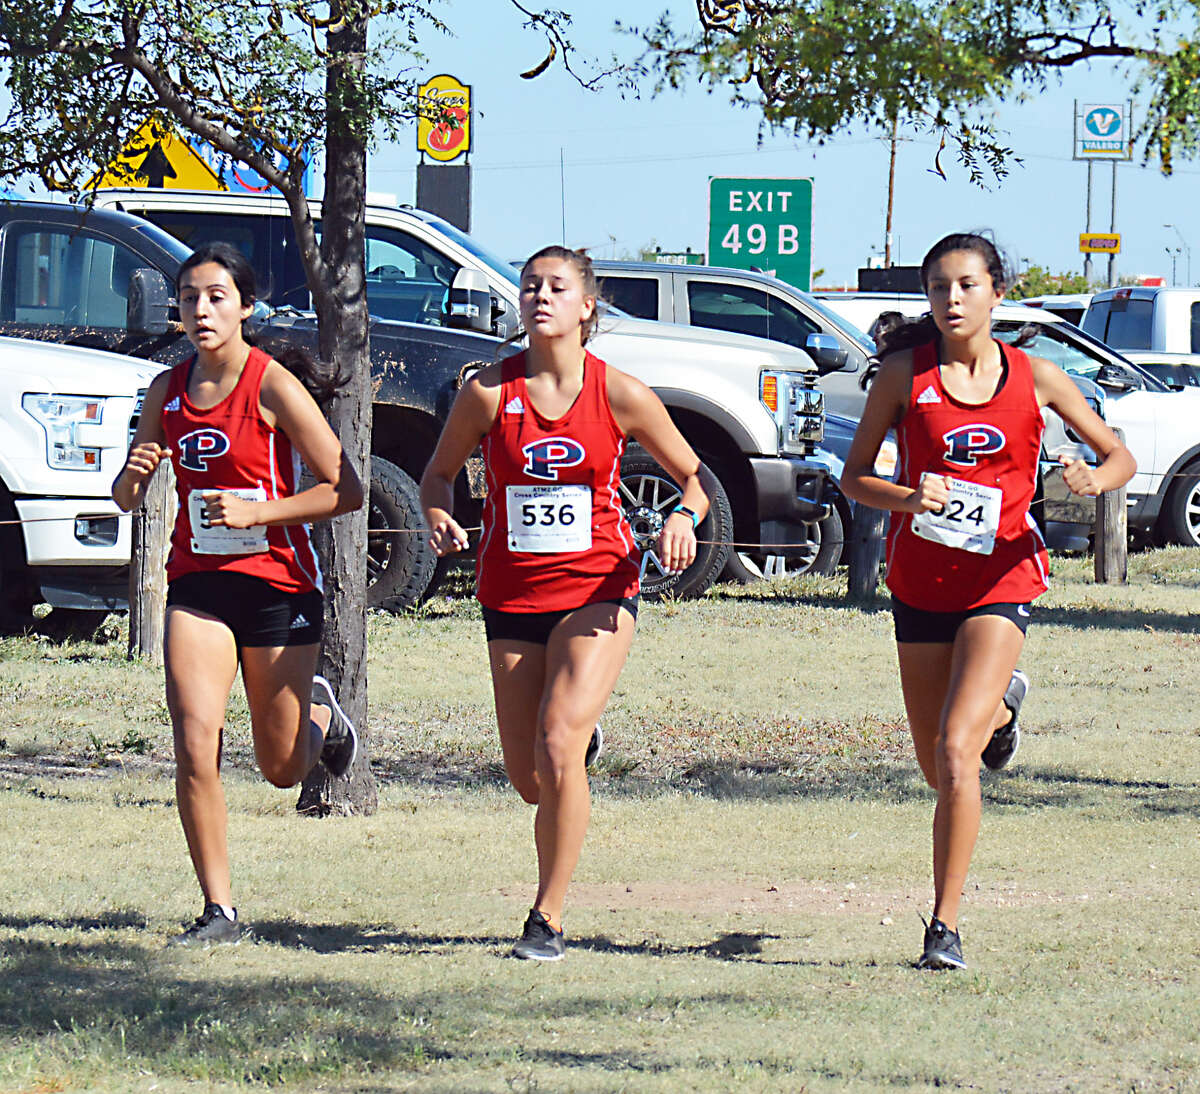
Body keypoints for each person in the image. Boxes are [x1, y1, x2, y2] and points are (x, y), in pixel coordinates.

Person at [841, 232, 1135, 971]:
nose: (952, 300)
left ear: (997, 293)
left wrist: (1094, 480)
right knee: (936, 767)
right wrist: (909, 495)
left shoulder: (1037, 376)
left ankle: (944, 926)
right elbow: (853, 478)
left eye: (967, 285)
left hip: (1003, 579)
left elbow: (1117, 453)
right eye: (939, 288)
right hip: (920, 584)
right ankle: (1004, 707)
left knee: (954, 752)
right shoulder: (904, 377)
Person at [420, 245, 709, 961]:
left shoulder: (621, 393)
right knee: (530, 779)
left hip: (599, 590)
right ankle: (576, 743)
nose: (538, 297)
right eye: (528, 287)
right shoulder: (488, 391)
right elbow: (437, 477)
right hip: (512, 595)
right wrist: (435, 512)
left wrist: (682, 518)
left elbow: (696, 480)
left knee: (555, 746)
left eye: (556, 287)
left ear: (587, 307)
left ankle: (546, 918)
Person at [113, 242, 364, 945]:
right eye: (189, 297)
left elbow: (347, 488)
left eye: (216, 296)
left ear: (245, 308)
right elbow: (129, 495)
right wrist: (134, 476)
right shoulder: (168, 389)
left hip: (279, 586)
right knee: (195, 741)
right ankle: (217, 909)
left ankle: (323, 719)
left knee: (282, 768)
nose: (200, 310)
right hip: (197, 587)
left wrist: (261, 512)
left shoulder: (271, 384)